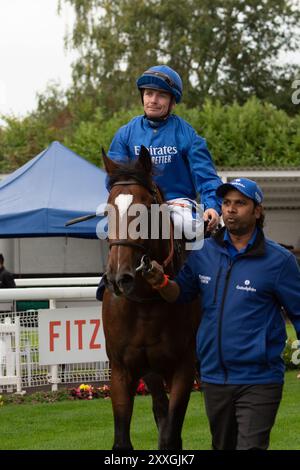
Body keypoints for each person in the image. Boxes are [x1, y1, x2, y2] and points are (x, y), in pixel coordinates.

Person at [143, 177, 300, 450]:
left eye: (240, 203)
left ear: (258, 210)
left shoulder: (280, 261)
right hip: (214, 379)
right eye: (226, 203)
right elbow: (181, 294)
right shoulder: (204, 252)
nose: (230, 209)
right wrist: (161, 283)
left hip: (259, 380)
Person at [106, 64, 222, 238]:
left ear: (172, 102)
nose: (153, 100)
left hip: (177, 205)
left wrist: (212, 206)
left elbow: (207, 178)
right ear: (142, 97)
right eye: (149, 93)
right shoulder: (125, 133)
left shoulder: (188, 135)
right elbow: (113, 177)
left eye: (161, 95)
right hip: (138, 204)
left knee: (192, 227)